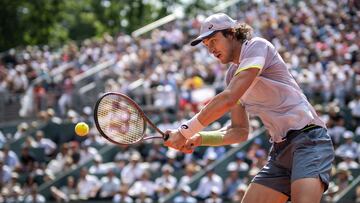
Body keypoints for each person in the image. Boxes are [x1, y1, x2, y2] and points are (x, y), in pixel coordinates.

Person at [164, 13, 335, 203]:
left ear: (231, 33)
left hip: (309, 140)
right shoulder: (231, 76)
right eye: (206, 45)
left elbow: (229, 98)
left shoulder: (257, 46)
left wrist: (185, 131)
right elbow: (239, 132)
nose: (211, 49)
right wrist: (199, 138)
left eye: (213, 40)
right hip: (280, 151)